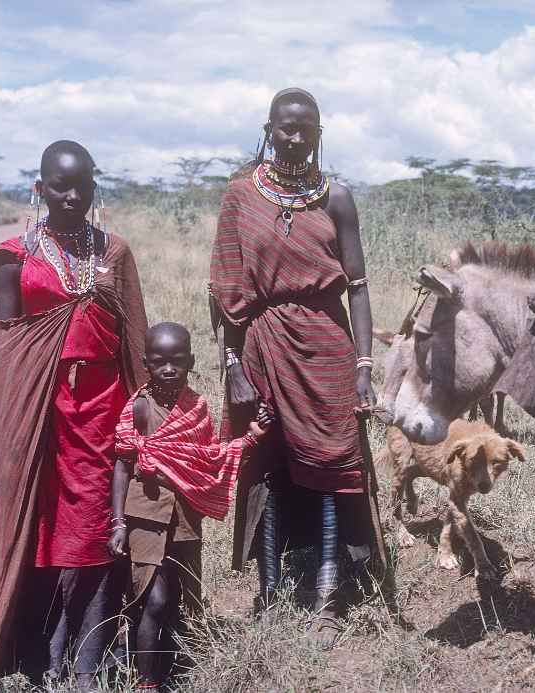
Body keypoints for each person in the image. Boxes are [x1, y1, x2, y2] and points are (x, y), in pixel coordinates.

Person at [0, 140, 148, 690]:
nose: (73, 196)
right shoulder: (13, 260)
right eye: (59, 186)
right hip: (45, 416)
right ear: (39, 188)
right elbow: (11, 361)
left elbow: (135, 340)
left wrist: (145, 411)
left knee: (100, 526)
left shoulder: (114, 253)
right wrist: (21, 431)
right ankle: (44, 648)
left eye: (84, 185)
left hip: (105, 413)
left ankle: (89, 656)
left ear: (97, 184)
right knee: (47, 528)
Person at [209, 88, 377, 646]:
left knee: (332, 465)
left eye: (307, 127)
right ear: (270, 128)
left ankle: (328, 598)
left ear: (320, 132)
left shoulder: (338, 199)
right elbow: (225, 289)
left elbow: (356, 287)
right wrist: (231, 362)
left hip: (326, 347)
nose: (296, 137)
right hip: (261, 344)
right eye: (287, 127)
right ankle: (270, 589)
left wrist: (364, 364)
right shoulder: (239, 196)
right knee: (268, 463)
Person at [109, 322, 272, 689]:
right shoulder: (138, 408)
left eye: (177, 361)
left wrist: (251, 439)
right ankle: (146, 683)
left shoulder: (196, 407)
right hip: (145, 515)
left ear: (191, 361)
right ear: (146, 363)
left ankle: (173, 667)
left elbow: (208, 459)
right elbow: (121, 464)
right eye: (159, 361)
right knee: (153, 598)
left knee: (180, 597)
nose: (169, 369)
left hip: (185, 518)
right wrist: (118, 523)